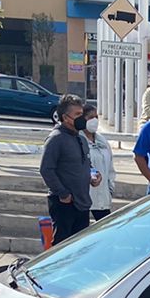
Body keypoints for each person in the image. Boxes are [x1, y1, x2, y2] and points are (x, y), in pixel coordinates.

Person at [38, 94, 92, 244]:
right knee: (62, 246)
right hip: (65, 203)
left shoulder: (81, 138)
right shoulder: (56, 138)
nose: (83, 118)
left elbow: (86, 162)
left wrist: (93, 175)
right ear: (66, 117)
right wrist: (63, 193)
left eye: (82, 114)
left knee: (80, 246)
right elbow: (46, 169)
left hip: (82, 201)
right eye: (78, 115)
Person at [81, 102, 116, 221]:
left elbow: (110, 167)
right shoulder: (78, 141)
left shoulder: (102, 141)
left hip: (103, 197)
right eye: (90, 117)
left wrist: (110, 189)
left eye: (96, 117)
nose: (94, 120)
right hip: (84, 197)